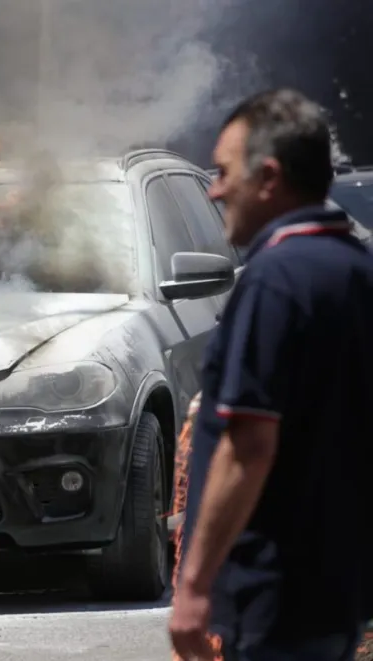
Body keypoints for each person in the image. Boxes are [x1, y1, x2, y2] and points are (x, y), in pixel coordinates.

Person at [169, 88, 373, 661]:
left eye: (223, 172)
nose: (213, 190)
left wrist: (193, 587)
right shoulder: (357, 272)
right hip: (336, 593)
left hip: (274, 597)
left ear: (268, 177)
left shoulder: (275, 279)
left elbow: (250, 445)